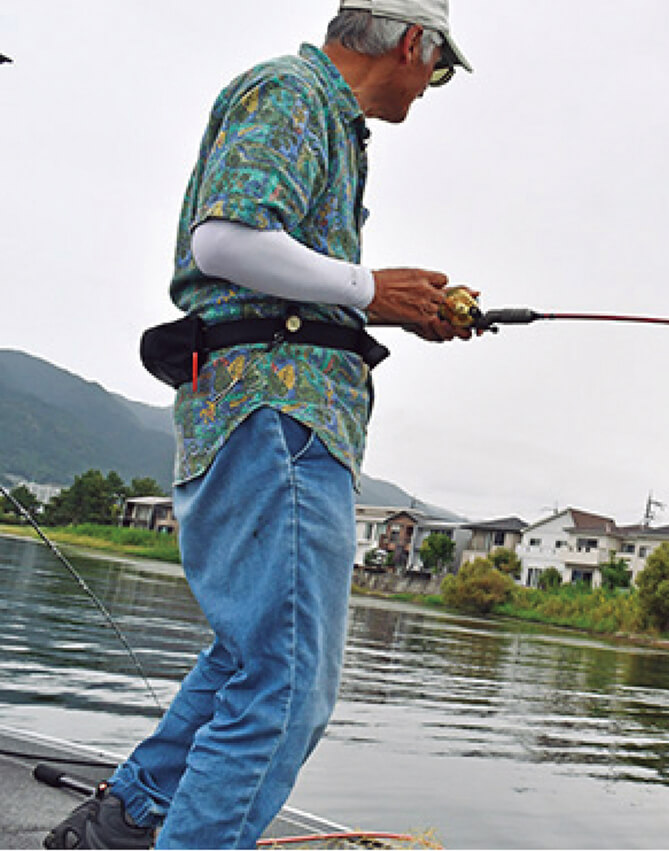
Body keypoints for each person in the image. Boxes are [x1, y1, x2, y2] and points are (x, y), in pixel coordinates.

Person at [45, 1, 474, 847]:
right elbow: (225, 241)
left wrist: (386, 307)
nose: (434, 86)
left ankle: (126, 823)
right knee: (285, 689)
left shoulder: (326, 121)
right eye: (442, 68)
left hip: (264, 417)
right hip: (278, 417)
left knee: (249, 660)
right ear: (414, 43)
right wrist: (367, 289)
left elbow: (275, 273)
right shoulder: (292, 91)